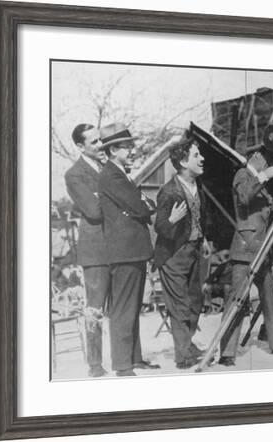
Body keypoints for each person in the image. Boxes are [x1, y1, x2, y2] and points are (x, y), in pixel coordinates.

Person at [218, 147, 273, 367]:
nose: (266, 166)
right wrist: (266, 176)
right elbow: (245, 198)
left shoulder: (260, 183)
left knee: (269, 297)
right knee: (237, 300)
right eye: (265, 161)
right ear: (255, 157)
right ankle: (226, 352)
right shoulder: (243, 175)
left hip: (263, 249)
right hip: (246, 249)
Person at [98, 123, 160, 376]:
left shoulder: (118, 173)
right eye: (127, 146)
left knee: (132, 307)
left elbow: (143, 204)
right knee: (124, 308)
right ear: (113, 150)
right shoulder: (112, 175)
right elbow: (141, 206)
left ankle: (134, 359)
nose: (133, 150)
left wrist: (142, 205)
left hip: (132, 250)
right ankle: (123, 365)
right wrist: (141, 205)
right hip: (124, 252)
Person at [154, 137, 212, 369]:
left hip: (194, 250)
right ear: (182, 162)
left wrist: (204, 237)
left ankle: (187, 344)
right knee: (180, 306)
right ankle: (183, 356)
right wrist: (171, 220)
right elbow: (160, 227)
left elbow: (200, 217)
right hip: (173, 256)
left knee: (195, 302)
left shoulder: (200, 186)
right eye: (196, 155)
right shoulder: (168, 192)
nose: (202, 159)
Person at [64, 123, 110, 377]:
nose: (101, 145)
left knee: (124, 305)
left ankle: (129, 359)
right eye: (94, 142)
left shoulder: (108, 168)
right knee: (95, 309)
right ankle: (95, 364)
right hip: (95, 251)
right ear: (80, 146)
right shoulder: (74, 174)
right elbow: (93, 211)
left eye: (101, 139)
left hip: (117, 246)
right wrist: (111, 195)